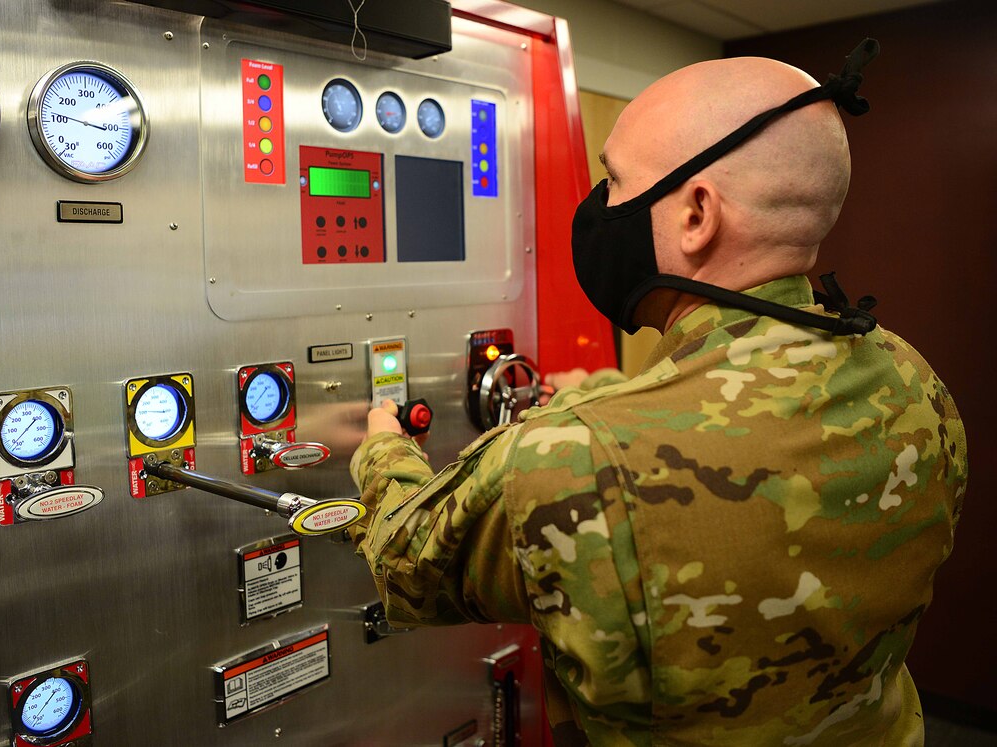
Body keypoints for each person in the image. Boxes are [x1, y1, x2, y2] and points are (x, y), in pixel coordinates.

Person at [348, 41, 968, 746]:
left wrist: (383, 446)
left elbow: (404, 560)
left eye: (613, 182)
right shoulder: (915, 383)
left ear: (698, 213)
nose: (599, 206)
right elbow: (740, 417)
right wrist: (609, 393)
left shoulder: (571, 459)